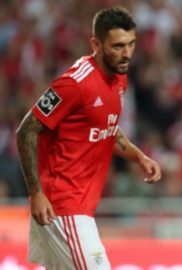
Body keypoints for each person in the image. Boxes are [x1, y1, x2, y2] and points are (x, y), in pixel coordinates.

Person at [15, 6, 161, 269]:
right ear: (96, 43)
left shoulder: (119, 77)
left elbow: (107, 127)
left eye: (131, 44)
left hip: (79, 204)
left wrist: (139, 157)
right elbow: (26, 130)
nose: (126, 53)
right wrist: (36, 193)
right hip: (61, 205)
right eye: (117, 46)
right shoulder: (74, 83)